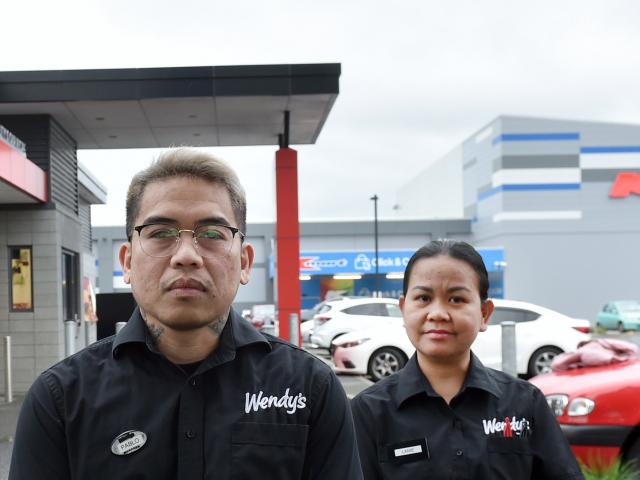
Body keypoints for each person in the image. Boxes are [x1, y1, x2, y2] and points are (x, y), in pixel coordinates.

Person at [10, 148, 363, 480]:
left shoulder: (311, 388)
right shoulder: (61, 399)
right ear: (128, 262)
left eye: (211, 233)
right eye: (161, 233)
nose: (186, 255)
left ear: (244, 262)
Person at [351, 240, 584, 479]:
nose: (438, 313)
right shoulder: (369, 412)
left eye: (456, 299)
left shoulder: (525, 404)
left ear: (484, 314)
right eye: (423, 298)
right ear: (403, 309)